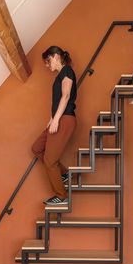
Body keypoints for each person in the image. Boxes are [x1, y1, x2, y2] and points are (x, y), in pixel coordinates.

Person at [32, 46, 77, 205]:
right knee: (37, 148)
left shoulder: (67, 71)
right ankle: (65, 174)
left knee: (50, 161)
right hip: (59, 118)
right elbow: (58, 100)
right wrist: (52, 118)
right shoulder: (60, 75)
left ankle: (62, 196)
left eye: (48, 61)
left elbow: (65, 96)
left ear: (56, 56)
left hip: (65, 119)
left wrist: (57, 119)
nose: (46, 65)